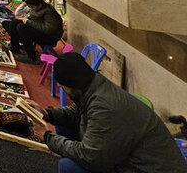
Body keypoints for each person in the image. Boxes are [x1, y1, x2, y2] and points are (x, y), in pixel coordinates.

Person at [28, 53, 187, 173]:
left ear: (70, 86)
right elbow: (77, 112)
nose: (63, 90)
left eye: (62, 87)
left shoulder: (104, 107)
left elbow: (90, 156)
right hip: (128, 154)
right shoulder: (92, 84)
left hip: (144, 168)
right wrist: (47, 114)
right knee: (64, 127)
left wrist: (47, 137)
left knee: (68, 166)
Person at [1, 0, 63, 64]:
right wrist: (26, 19)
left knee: (21, 28)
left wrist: (28, 22)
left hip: (50, 37)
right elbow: (31, 18)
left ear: (38, 4)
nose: (31, 9)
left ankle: (32, 58)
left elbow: (48, 29)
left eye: (32, 7)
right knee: (14, 22)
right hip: (40, 31)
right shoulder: (35, 8)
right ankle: (15, 47)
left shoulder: (49, 11)